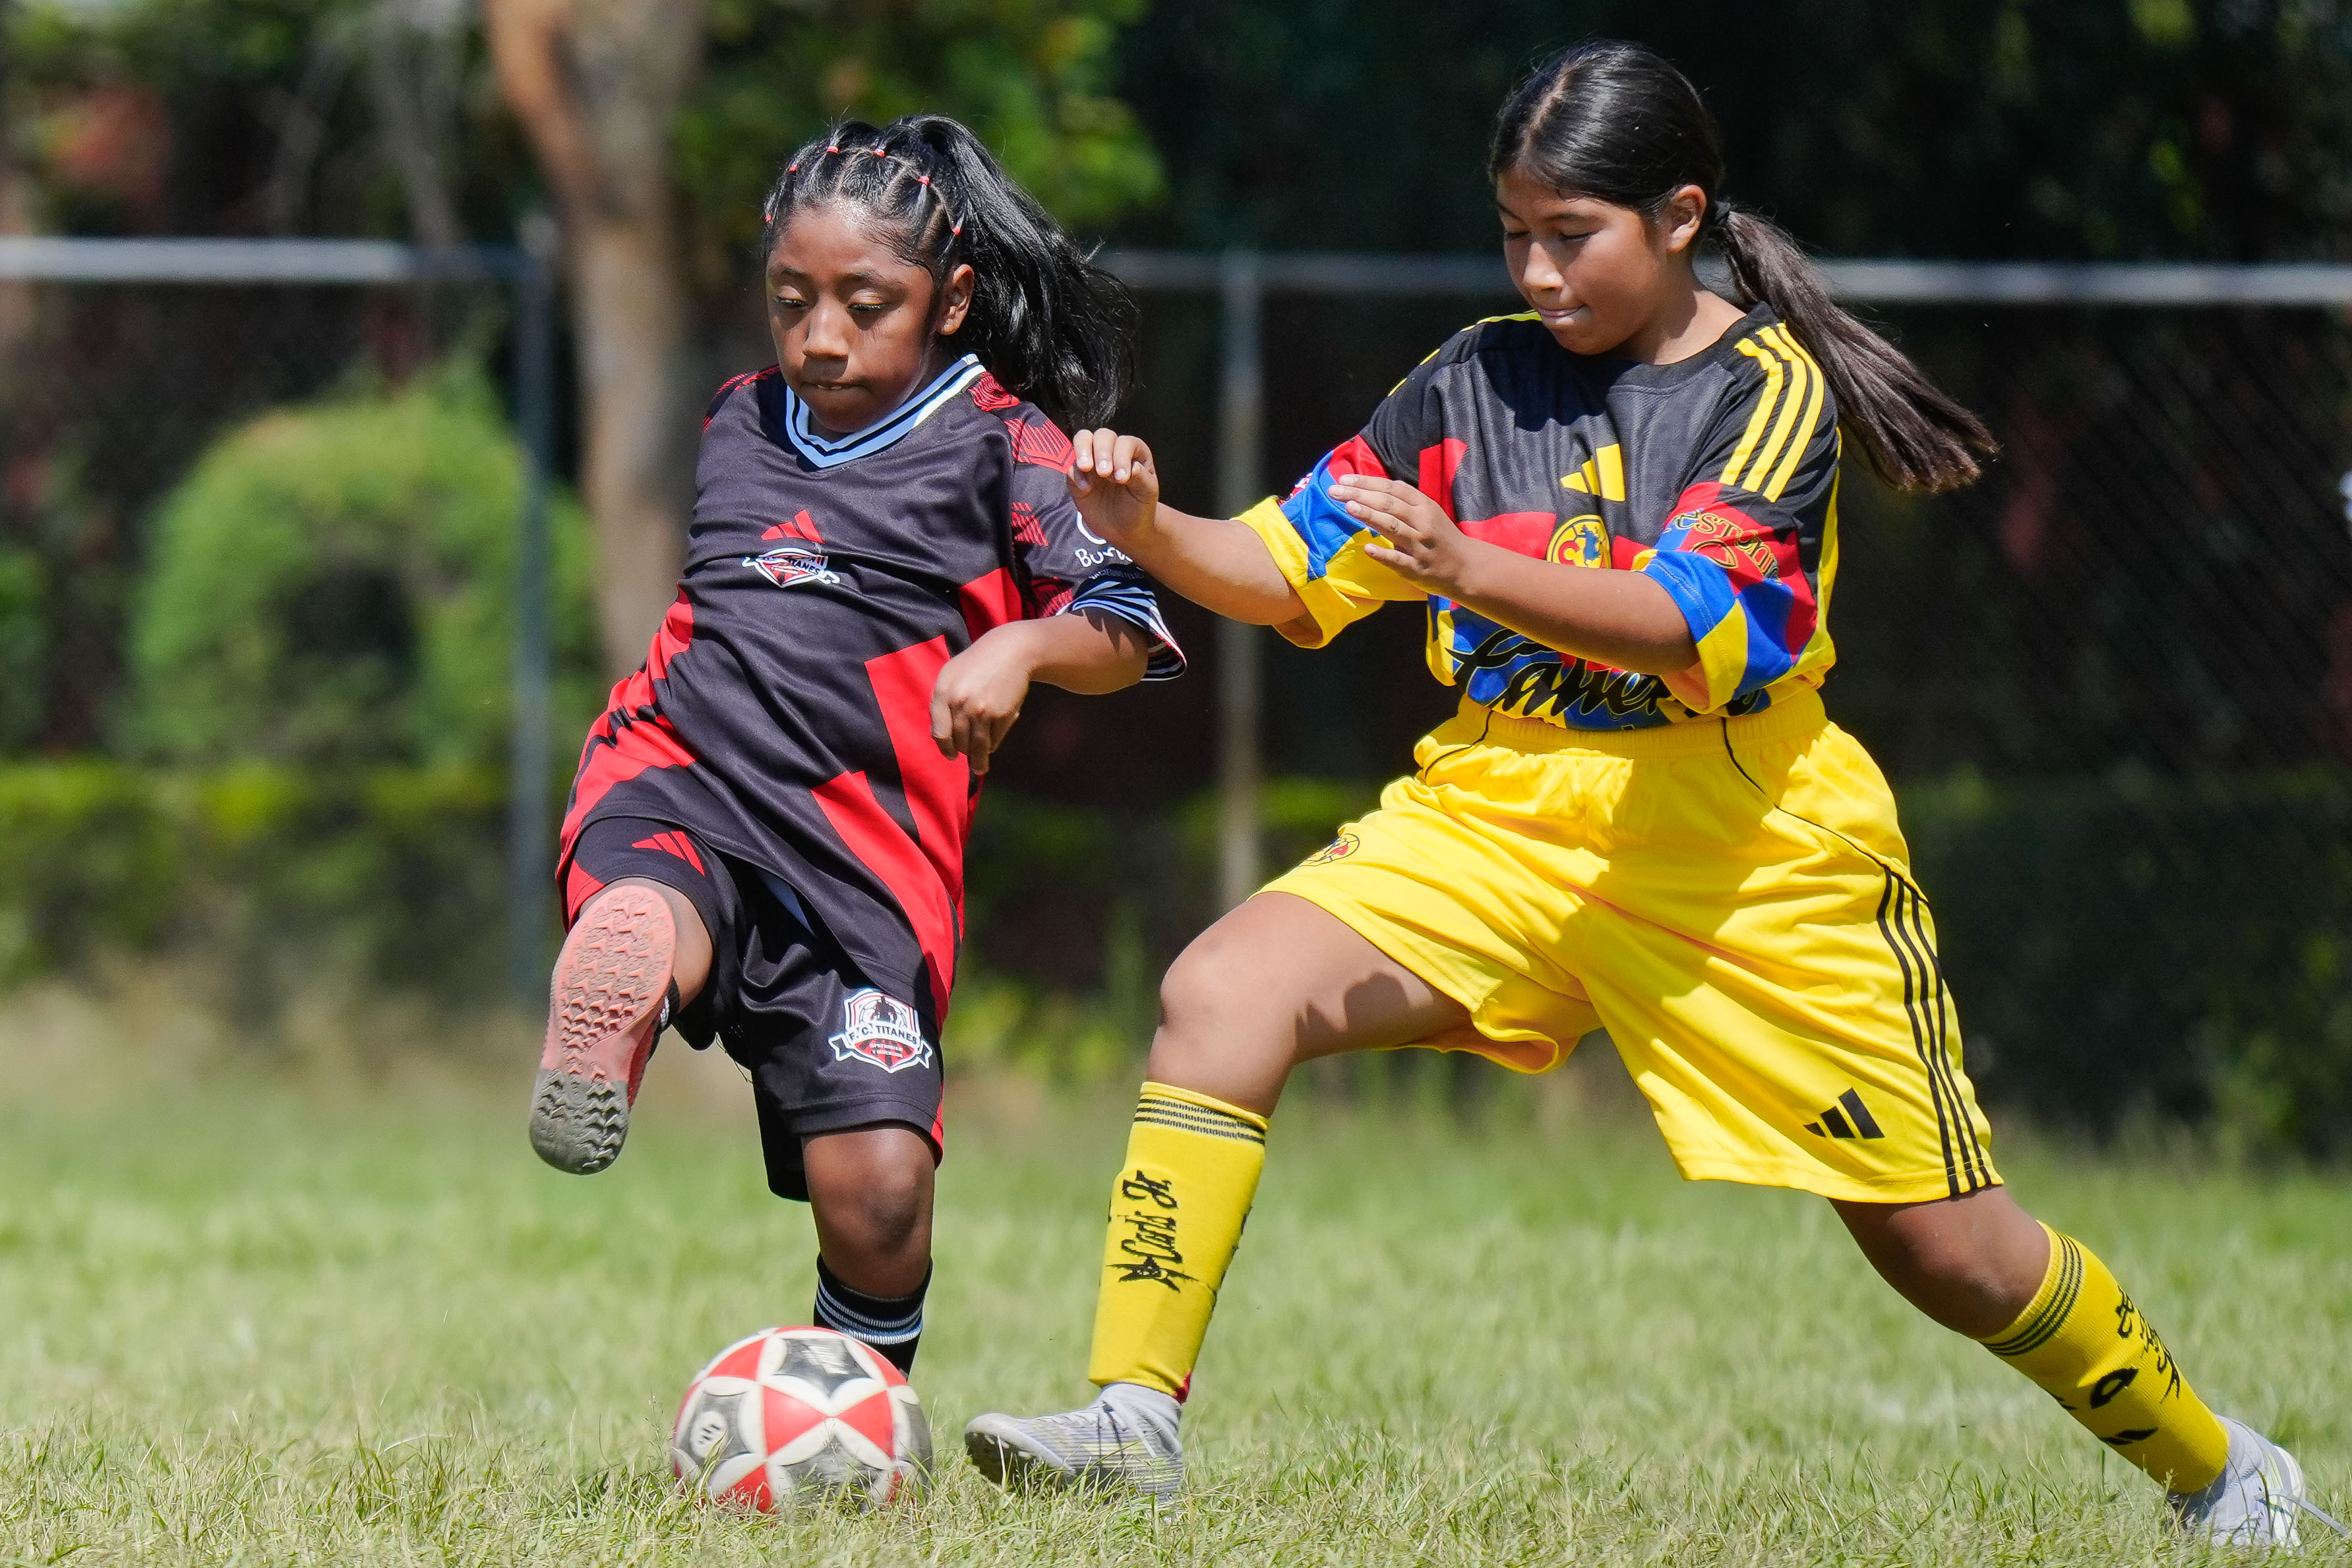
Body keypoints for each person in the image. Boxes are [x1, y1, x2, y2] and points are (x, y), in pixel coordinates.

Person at [961, 42, 2332, 1548]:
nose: (1537, 269)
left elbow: (1695, 627)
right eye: (1514, 233)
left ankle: (2218, 1468)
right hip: (1496, 811)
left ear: (1680, 216)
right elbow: (1283, 574)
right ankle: (1132, 1416)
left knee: (1952, 1255)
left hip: (1741, 847)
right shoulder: (1468, 380)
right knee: (1219, 991)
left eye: (1573, 235)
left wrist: (1470, 566)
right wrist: (1149, 523)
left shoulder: (1764, 393)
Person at [529, 114, 1182, 1379]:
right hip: (680, 776)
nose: (820, 334)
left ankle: (852, 1415)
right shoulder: (738, 419)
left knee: (880, 1197)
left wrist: (1021, 650)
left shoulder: (1010, 446)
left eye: (864, 302)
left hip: (864, 864)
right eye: (793, 299)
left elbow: (1125, 625)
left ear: (953, 301)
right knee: (654, 903)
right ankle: (633, 967)